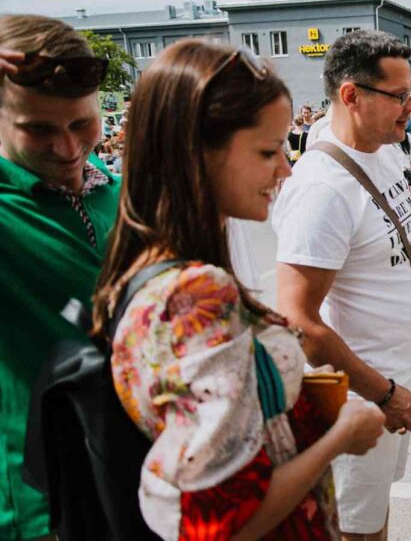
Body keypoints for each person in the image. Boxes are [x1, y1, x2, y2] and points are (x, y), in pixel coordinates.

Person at [89, 40, 386, 539]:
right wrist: (340, 437)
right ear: (195, 153)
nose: (286, 169)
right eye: (268, 151)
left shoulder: (163, 270)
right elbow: (222, 525)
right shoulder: (194, 297)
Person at [272, 30, 411, 540]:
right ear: (351, 95)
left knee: (373, 518)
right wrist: (384, 394)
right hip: (353, 398)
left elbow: (405, 233)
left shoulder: (384, 150)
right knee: (352, 530)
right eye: (399, 95)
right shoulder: (322, 189)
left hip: (391, 382)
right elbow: (299, 322)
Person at [0, 15, 121, 540]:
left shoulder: (120, 193)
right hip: (39, 509)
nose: (69, 149)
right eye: (38, 130)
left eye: (81, 124)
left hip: (130, 485)